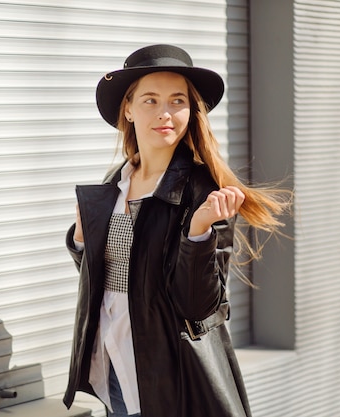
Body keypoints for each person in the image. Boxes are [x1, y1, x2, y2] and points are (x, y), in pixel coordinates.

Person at [62, 44, 289, 417]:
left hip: (171, 375)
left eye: (177, 100)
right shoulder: (115, 183)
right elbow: (110, 277)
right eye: (150, 100)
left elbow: (199, 308)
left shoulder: (204, 189)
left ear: (190, 111)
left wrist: (198, 232)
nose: (164, 113)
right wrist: (81, 241)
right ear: (129, 110)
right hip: (115, 357)